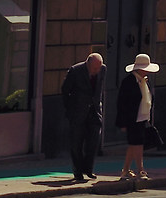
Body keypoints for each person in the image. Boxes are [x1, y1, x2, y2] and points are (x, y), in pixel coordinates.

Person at [60, 50, 107, 183]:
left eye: (98, 68)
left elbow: (98, 89)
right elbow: (65, 90)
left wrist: (98, 104)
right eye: (94, 68)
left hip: (94, 111)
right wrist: (70, 109)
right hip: (77, 111)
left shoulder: (103, 69)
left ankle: (88, 168)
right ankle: (78, 171)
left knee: (93, 141)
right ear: (88, 64)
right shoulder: (75, 71)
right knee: (76, 142)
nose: (97, 71)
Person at [116, 51, 159, 189]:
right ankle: (140, 170)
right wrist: (122, 122)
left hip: (142, 117)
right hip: (132, 118)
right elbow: (122, 103)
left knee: (134, 144)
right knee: (137, 143)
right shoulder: (128, 82)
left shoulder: (145, 81)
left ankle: (126, 170)